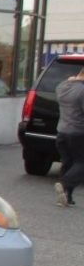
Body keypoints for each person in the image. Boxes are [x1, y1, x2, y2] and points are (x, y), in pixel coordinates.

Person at [54, 66, 84, 207]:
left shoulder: (62, 86)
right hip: (77, 133)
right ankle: (64, 183)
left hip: (62, 132)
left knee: (68, 163)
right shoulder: (82, 91)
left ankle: (66, 197)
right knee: (81, 163)